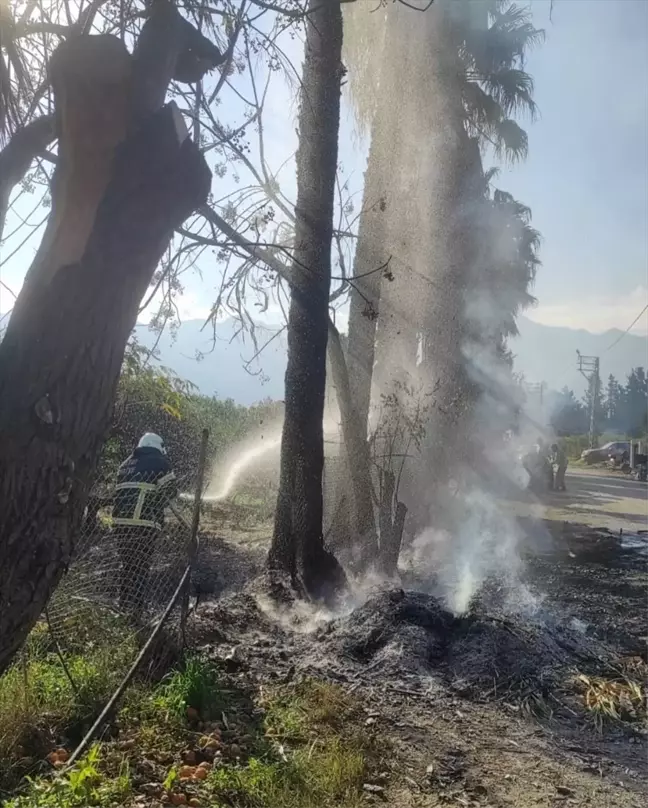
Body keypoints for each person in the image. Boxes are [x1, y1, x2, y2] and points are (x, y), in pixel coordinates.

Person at [112, 433, 177, 615]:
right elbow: (170, 491)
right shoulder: (160, 462)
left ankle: (123, 604)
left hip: (119, 524)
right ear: (159, 446)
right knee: (141, 565)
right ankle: (138, 608)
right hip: (143, 522)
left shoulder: (125, 464)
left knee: (127, 565)